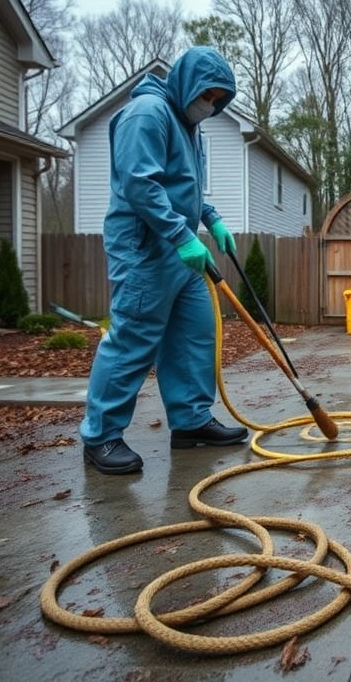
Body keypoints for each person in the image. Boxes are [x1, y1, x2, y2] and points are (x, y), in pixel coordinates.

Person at [80, 46, 248, 475]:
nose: (209, 105)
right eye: (206, 95)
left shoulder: (189, 126)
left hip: (181, 249)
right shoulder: (147, 114)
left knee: (195, 333)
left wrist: (210, 217)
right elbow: (140, 184)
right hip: (146, 249)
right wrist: (181, 235)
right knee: (132, 340)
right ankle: (100, 436)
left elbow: (185, 187)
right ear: (187, 83)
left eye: (217, 99)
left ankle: (191, 421)